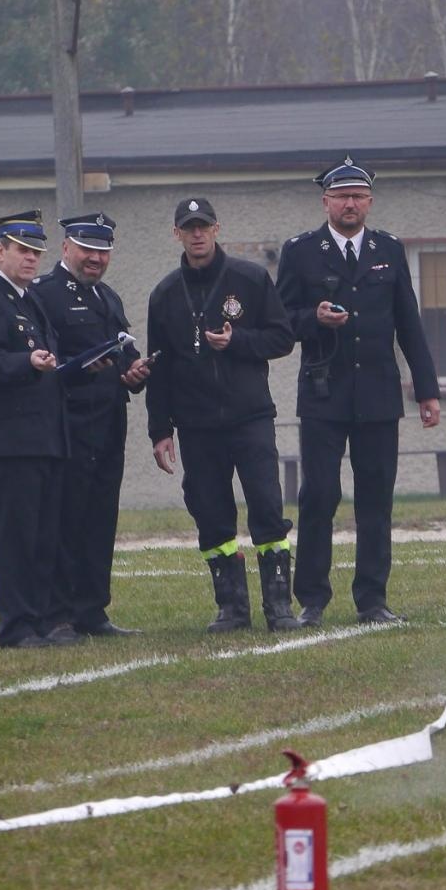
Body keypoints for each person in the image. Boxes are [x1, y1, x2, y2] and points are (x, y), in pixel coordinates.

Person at [275, 156, 440, 627]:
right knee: (319, 495)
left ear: (369, 201)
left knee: (375, 499)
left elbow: (408, 323)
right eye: (342, 196)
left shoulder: (389, 248)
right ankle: (311, 599)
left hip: (378, 394)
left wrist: (426, 391)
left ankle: (372, 600)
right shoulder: (301, 251)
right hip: (324, 394)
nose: (351, 204)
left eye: (359, 196)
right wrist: (314, 319)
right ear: (325, 201)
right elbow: (281, 323)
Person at [147, 197, 299, 633]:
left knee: (268, 508)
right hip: (196, 425)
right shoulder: (164, 294)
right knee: (211, 512)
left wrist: (238, 342)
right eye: (188, 227)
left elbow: (282, 338)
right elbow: (160, 368)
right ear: (176, 233)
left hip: (249, 416)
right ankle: (231, 609)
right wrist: (160, 430)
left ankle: (279, 607)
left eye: (204, 226)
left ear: (217, 229)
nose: (197, 234)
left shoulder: (250, 279)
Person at [0, 210, 83, 649]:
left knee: (43, 535)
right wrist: (26, 363)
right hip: (14, 441)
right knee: (16, 538)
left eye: (37, 253)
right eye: (23, 251)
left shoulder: (29, 300)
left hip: (46, 438)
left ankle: (41, 619)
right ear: (1, 250)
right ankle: (15, 626)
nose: (32, 260)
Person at [32, 212, 153, 637]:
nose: (95, 259)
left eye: (102, 252)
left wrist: (134, 370)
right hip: (69, 424)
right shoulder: (44, 295)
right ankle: (58, 614)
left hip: (108, 423)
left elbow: (123, 353)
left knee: (100, 519)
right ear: (66, 248)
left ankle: (92, 610)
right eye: (87, 250)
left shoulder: (109, 298)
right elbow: (45, 366)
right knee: (67, 519)